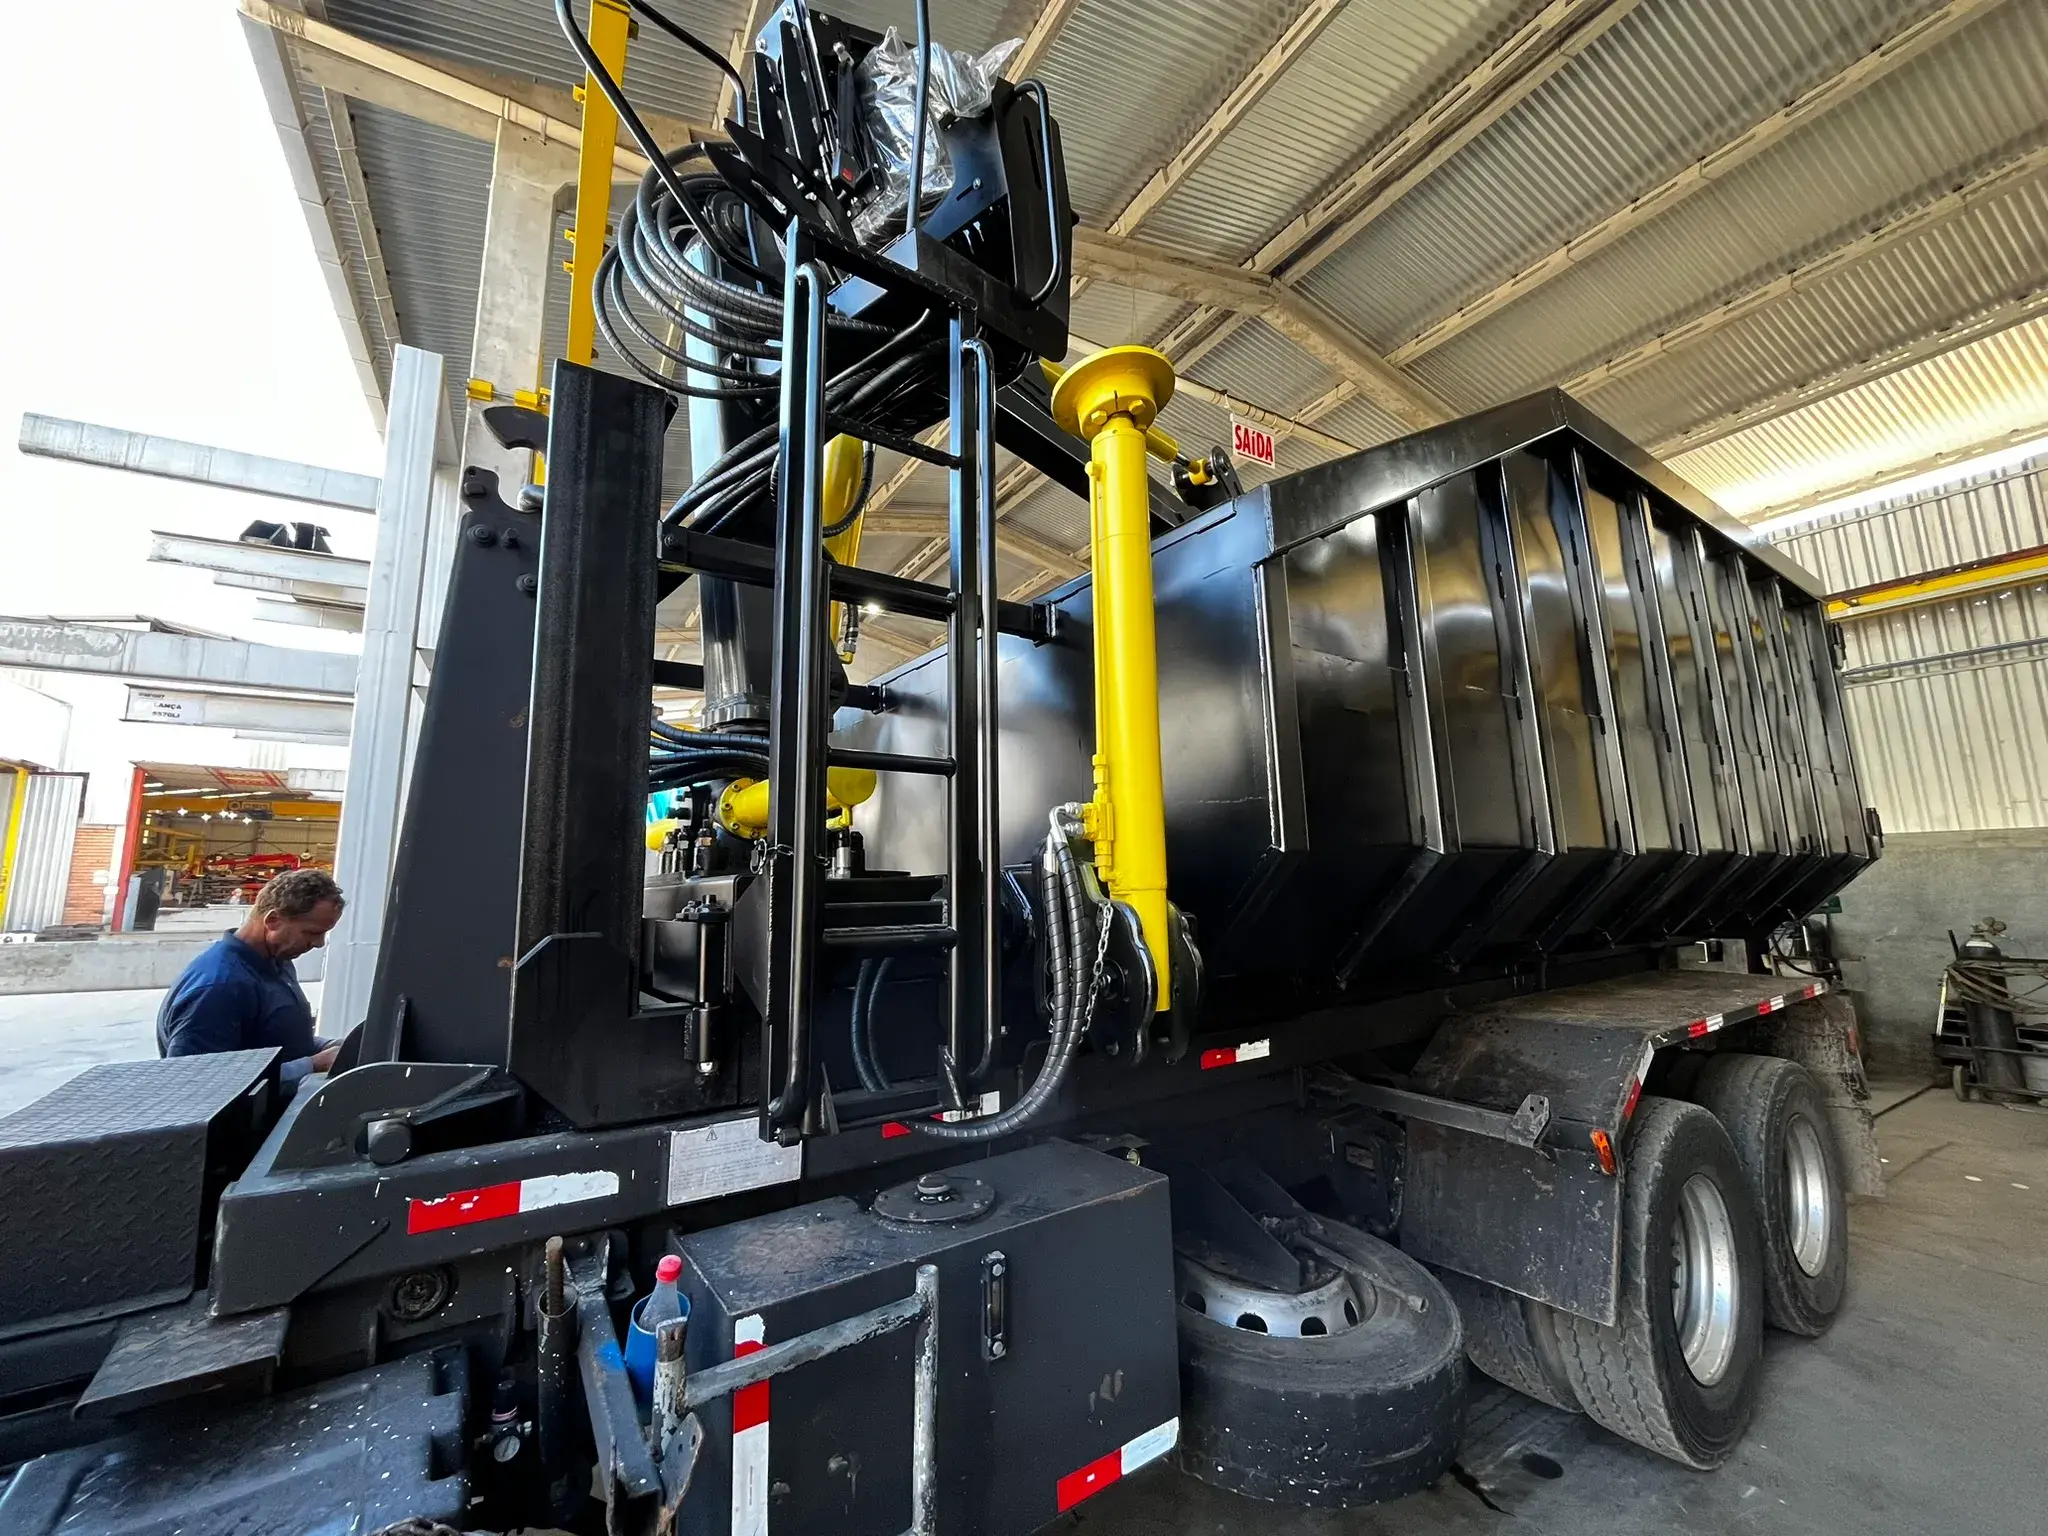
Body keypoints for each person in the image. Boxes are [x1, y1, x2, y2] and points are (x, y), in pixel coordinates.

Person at [157, 867, 346, 1083]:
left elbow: (273, 1040)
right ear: (273, 921)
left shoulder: (277, 961)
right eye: (312, 932)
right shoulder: (219, 988)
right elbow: (195, 1080)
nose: (319, 943)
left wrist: (330, 1047)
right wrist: (311, 1065)